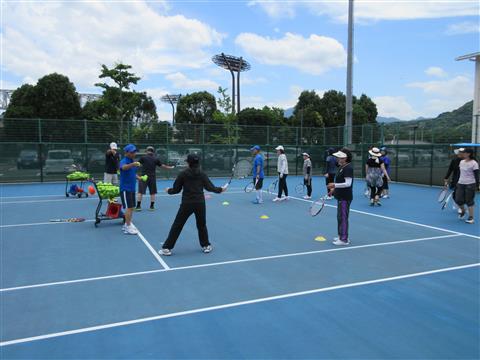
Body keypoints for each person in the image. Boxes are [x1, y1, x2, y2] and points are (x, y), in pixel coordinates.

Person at [160, 154, 226, 256]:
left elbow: (176, 190)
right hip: (200, 203)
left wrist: (168, 190)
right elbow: (210, 187)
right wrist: (220, 190)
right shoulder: (202, 174)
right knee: (201, 225)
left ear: (188, 162)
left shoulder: (183, 174)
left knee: (177, 225)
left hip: (187, 203)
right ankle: (206, 245)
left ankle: (167, 248)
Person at [327, 148, 354, 246]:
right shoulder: (341, 166)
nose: (337, 158)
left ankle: (344, 239)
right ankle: (340, 235)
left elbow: (348, 183)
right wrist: (333, 190)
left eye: (339, 157)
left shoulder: (348, 168)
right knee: (339, 217)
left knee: (343, 217)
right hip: (340, 196)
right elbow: (339, 182)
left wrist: (334, 185)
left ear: (345, 158)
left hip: (345, 197)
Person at [136, 146, 174, 211]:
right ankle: (152, 207)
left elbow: (136, 164)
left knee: (140, 192)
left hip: (143, 177)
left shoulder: (143, 158)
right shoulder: (155, 159)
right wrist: (170, 167)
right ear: (153, 152)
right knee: (152, 192)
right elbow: (162, 166)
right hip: (152, 177)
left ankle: (138, 206)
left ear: (147, 151)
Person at [119, 144, 142, 235]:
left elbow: (132, 173)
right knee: (129, 208)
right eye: (132, 152)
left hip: (132, 188)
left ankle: (126, 224)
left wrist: (138, 177)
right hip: (125, 189)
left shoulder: (132, 161)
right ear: (127, 153)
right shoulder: (124, 161)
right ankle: (128, 226)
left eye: (134, 152)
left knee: (131, 207)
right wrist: (132, 164)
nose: (134, 153)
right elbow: (124, 167)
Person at [456, 148, 479, 224]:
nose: (463, 153)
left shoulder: (474, 163)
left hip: (470, 184)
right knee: (458, 200)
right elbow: (459, 173)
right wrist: (457, 182)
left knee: (469, 201)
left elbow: (476, 175)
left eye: (464, 152)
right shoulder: (461, 162)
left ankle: (471, 218)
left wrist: (477, 185)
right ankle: (463, 211)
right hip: (460, 183)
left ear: (468, 154)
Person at [444, 148, 463, 212]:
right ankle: (458, 204)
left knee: (461, 194)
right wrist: (446, 178)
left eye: (462, 152)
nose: (460, 153)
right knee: (455, 195)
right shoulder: (454, 160)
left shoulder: (466, 161)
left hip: (465, 180)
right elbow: (450, 169)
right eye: (459, 152)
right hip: (455, 180)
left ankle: (460, 207)